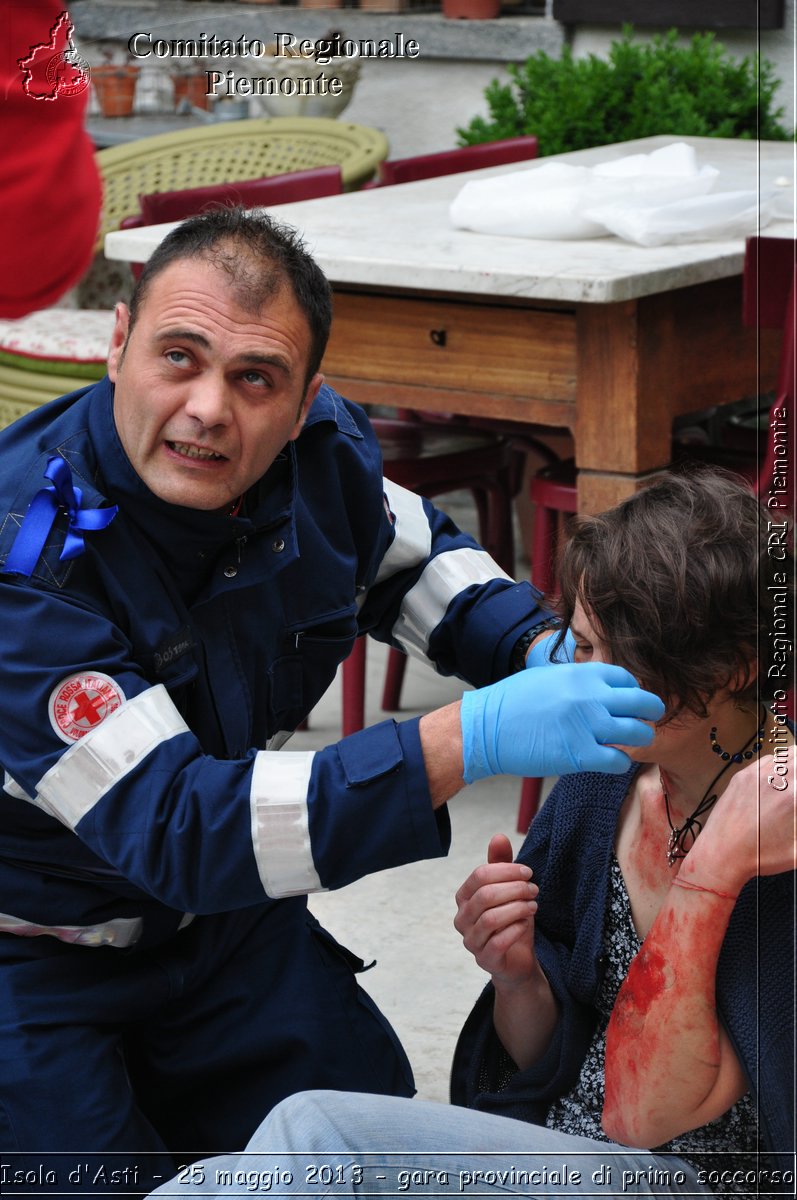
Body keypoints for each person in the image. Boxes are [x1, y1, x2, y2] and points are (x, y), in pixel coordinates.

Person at [0, 207, 663, 1190]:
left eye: (254, 377)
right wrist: (460, 738)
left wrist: (531, 645)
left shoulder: (323, 455)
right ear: (114, 345)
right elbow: (184, 827)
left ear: (307, 397)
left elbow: (409, 557)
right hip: (34, 957)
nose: (208, 408)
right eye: (178, 356)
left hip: (222, 938)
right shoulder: (29, 555)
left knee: (360, 1142)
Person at [156, 468, 795, 1199]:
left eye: (614, 656)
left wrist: (708, 875)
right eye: (580, 647)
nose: (580, 680)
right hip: (567, 1153)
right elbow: (543, 1062)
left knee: (315, 1139)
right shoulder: (602, 783)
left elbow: (639, 1117)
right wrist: (518, 975)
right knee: (261, 1159)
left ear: (734, 668)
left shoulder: (778, 836)